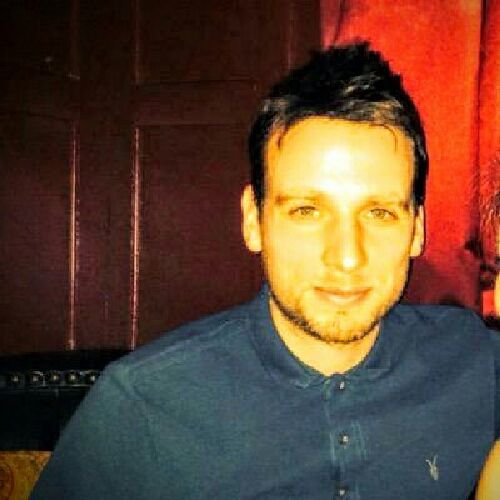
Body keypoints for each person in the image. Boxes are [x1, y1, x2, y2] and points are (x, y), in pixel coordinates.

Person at [32, 42, 499, 499]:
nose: (347, 258)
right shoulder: (139, 408)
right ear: (254, 221)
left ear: (417, 229)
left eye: (379, 213)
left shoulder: (473, 360)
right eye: (306, 211)